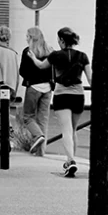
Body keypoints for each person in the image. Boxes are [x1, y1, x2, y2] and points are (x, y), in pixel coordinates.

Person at [28, 27, 91, 177]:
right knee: (73, 130)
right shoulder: (83, 56)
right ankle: (70, 162)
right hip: (78, 95)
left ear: (62, 41)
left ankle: (71, 160)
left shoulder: (55, 55)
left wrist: (32, 57)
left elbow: (41, 66)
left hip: (62, 94)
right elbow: (91, 78)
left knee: (66, 130)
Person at [19, 27, 55, 156]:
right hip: (48, 88)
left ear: (31, 38)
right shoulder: (50, 51)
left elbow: (22, 71)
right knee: (43, 120)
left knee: (28, 117)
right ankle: (41, 152)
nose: (26, 38)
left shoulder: (28, 52)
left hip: (34, 88)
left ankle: (38, 135)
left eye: (27, 36)